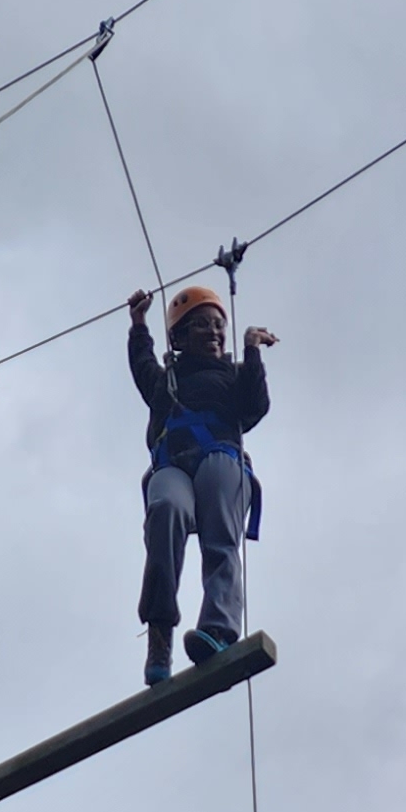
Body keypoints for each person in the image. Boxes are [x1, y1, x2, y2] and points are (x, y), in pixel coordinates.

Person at [127, 281, 276, 685]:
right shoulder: (164, 382)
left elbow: (255, 406)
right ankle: (160, 633)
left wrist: (251, 350)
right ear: (178, 338)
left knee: (219, 522)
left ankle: (218, 629)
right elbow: (142, 362)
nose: (213, 332)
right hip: (172, 466)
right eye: (201, 325)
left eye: (218, 326)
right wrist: (138, 323)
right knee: (165, 509)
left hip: (219, 461)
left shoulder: (233, 376)